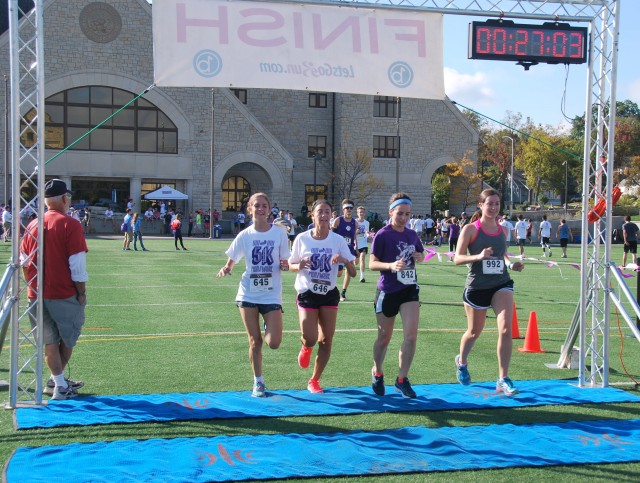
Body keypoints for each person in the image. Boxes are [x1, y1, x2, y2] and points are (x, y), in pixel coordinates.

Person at [217, 192, 290, 397]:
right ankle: (258, 382)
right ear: (250, 209)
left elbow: (286, 261)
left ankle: (269, 323)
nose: (260, 209)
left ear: (269, 209)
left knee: (273, 343)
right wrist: (226, 269)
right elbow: (232, 261)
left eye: (264, 205)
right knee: (254, 341)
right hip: (248, 293)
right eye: (256, 205)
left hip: (271, 294)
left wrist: (285, 265)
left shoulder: (279, 233)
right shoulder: (245, 235)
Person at [20, 179, 88, 400]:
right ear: (64, 199)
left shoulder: (32, 224)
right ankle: (58, 384)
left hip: (36, 293)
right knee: (68, 338)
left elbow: (24, 262)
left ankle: (57, 381)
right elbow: (76, 264)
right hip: (62, 292)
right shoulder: (70, 224)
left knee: (49, 340)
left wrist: (32, 286)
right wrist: (81, 292)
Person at [453, 188, 524, 397]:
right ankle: (462, 362)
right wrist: (478, 257)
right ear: (481, 205)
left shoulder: (503, 230)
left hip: (501, 283)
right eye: (489, 203)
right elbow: (457, 258)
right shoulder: (470, 229)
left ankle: (503, 378)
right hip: (477, 287)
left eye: (496, 203)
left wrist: (511, 266)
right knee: (474, 332)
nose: (493, 207)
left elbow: (503, 255)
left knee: (505, 330)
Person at [289, 199, 356, 394]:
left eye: (327, 211)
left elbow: (352, 272)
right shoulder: (302, 238)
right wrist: (299, 265)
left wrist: (344, 260)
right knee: (310, 338)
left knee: (326, 340)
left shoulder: (338, 240)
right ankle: (306, 347)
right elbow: (291, 265)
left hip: (329, 293)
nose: (324, 215)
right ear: (313, 215)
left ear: (332, 215)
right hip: (307, 292)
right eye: (320, 212)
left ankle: (314, 380)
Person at [370, 193, 425, 399]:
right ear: (391, 211)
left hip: (409, 290)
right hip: (388, 291)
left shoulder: (411, 234)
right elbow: (372, 263)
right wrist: (391, 266)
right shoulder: (383, 235)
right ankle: (378, 371)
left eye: (407, 214)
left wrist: (420, 256)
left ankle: (402, 379)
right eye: (400, 213)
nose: (403, 218)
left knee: (411, 336)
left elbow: (421, 254)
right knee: (384, 338)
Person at [332, 199, 357, 301]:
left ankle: (343, 293)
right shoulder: (338, 220)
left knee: (350, 272)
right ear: (343, 209)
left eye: (351, 208)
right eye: (347, 208)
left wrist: (357, 248)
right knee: (338, 274)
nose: (349, 210)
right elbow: (332, 235)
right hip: (338, 250)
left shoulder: (354, 223)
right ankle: (332, 289)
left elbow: (354, 236)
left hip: (349, 250)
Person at [355, 206, 370, 283]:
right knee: (356, 262)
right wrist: (356, 231)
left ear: (364, 213)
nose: (361, 213)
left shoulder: (367, 223)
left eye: (363, 212)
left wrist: (368, 235)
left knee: (362, 257)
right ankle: (355, 260)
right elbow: (352, 233)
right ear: (357, 213)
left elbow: (366, 231)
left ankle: (362, 276)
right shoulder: (354, 222)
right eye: (360, 212)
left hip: (363, 243)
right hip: (356, 244)